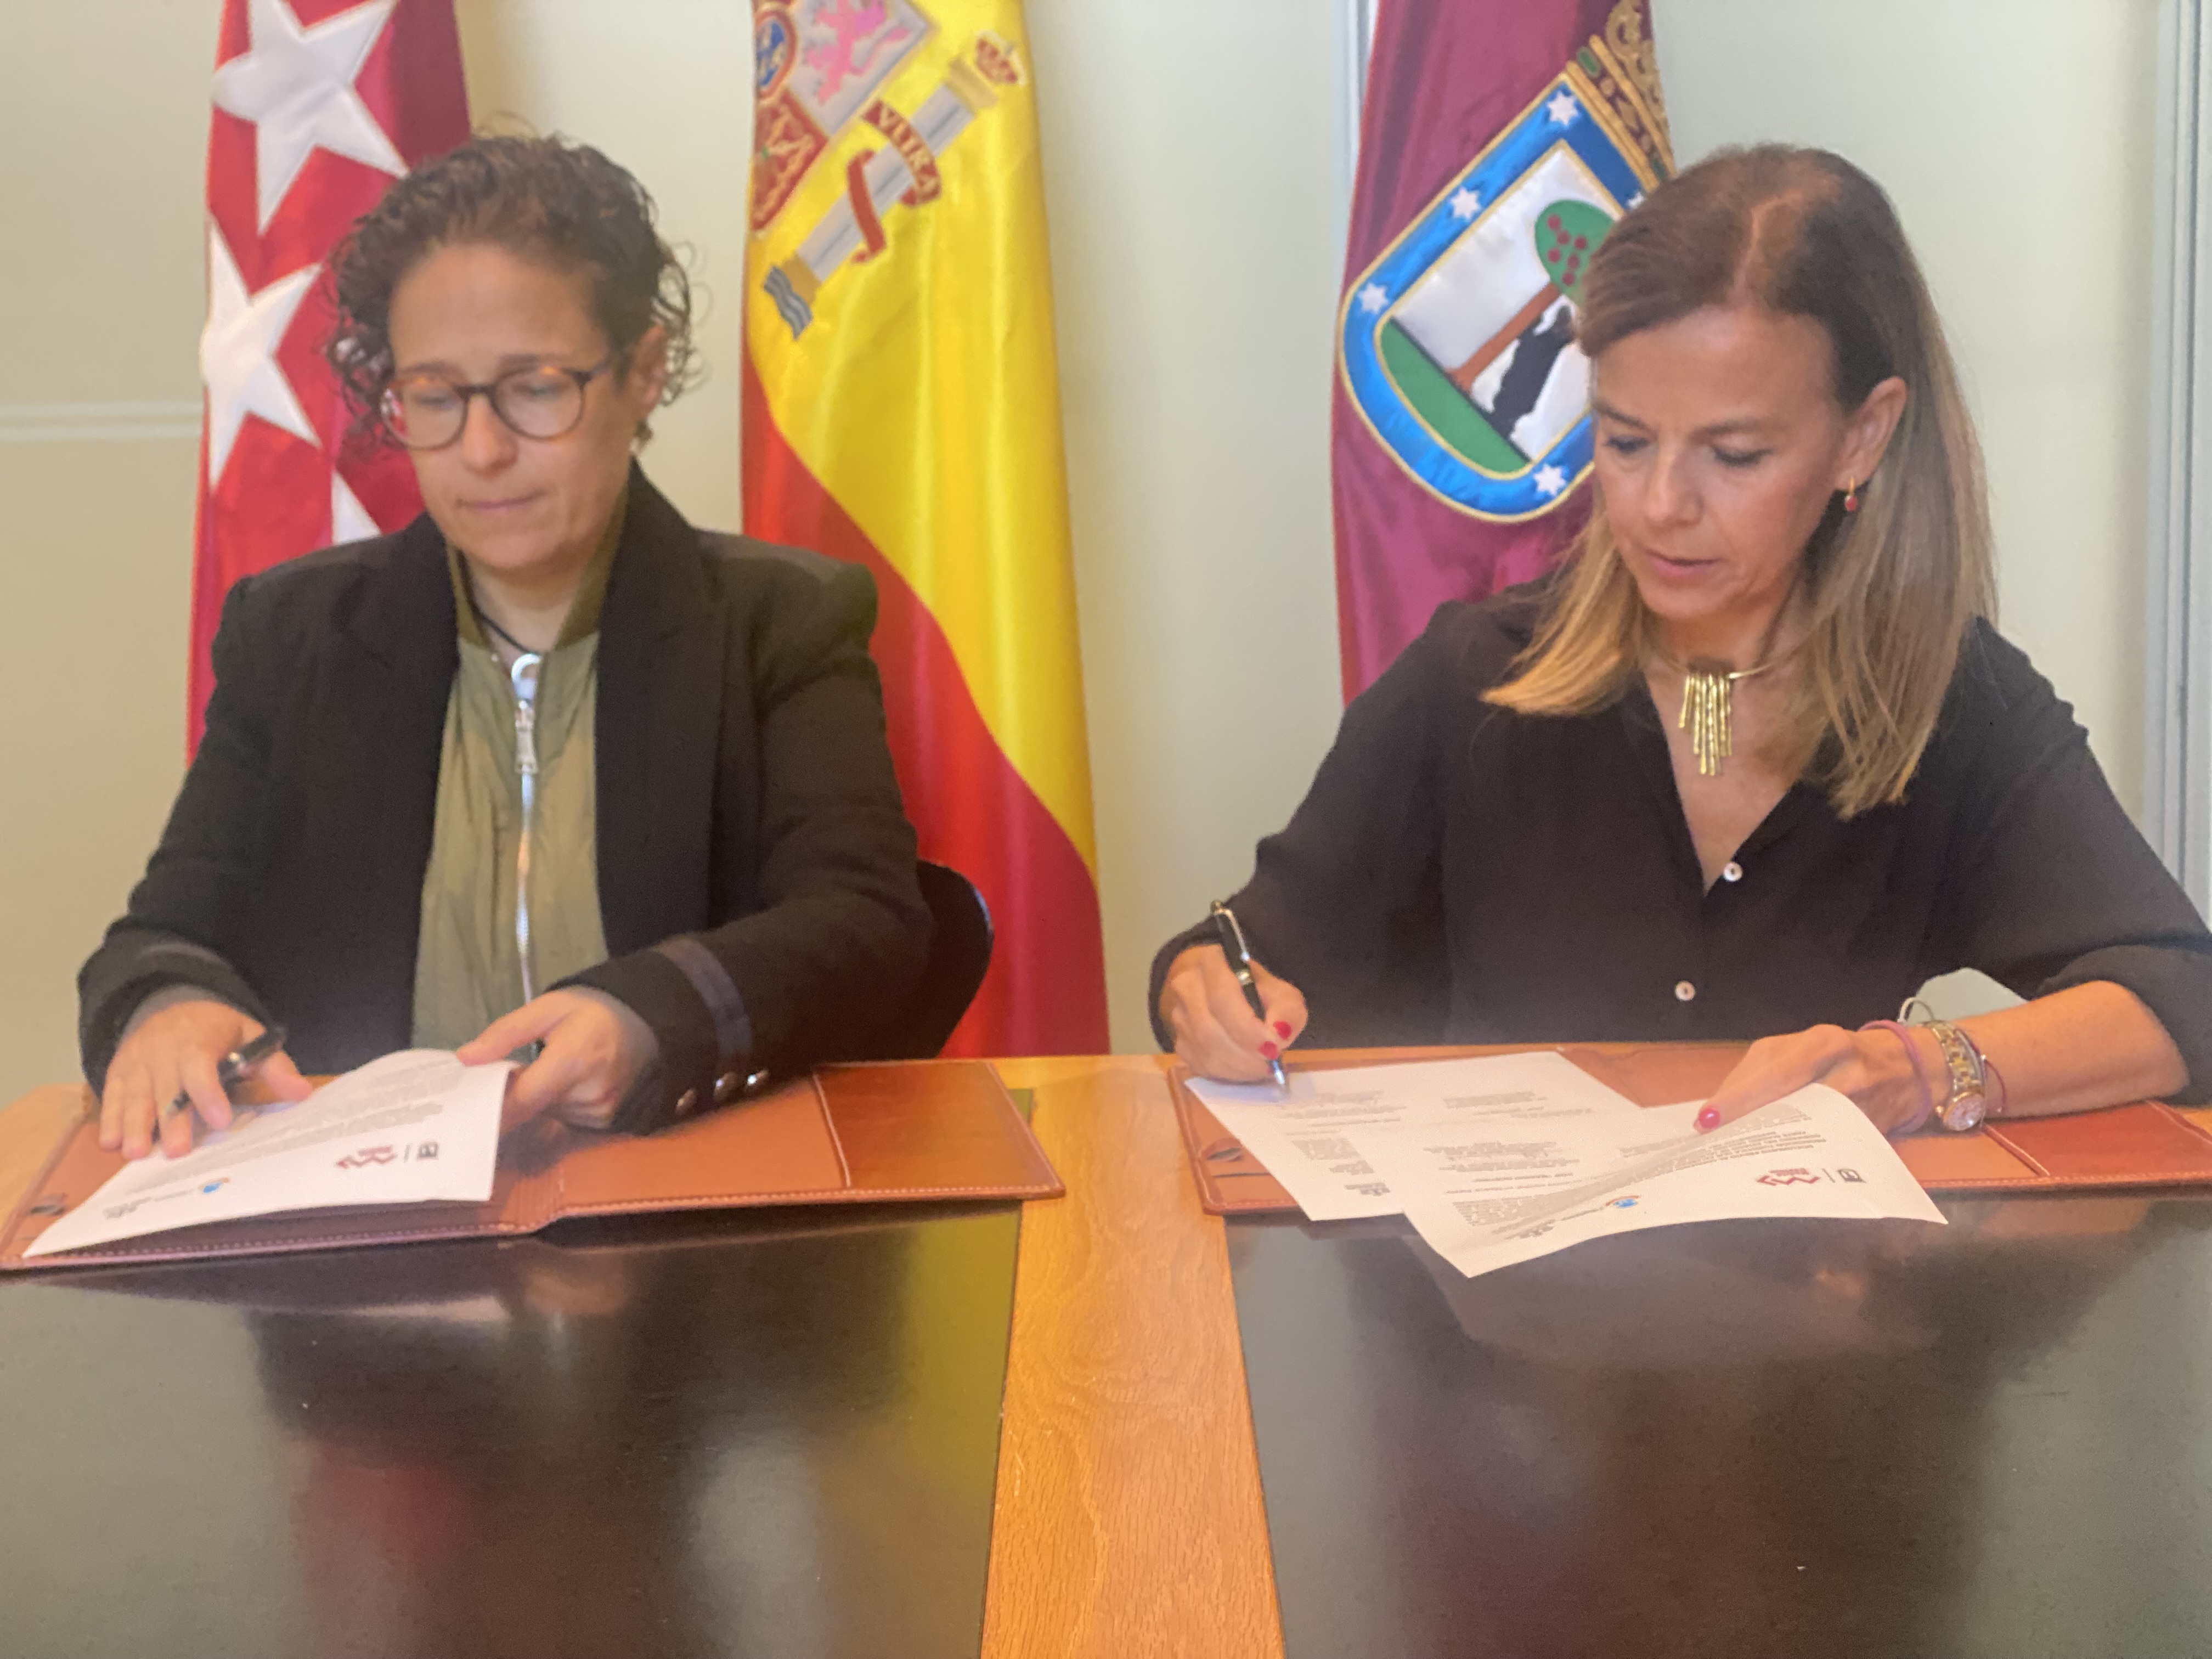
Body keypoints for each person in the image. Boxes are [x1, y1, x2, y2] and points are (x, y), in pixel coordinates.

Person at [1155, 144, 2211, 1134]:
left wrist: (1924, 1068)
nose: (1662, 506)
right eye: (1624, 442)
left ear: (1863, 436)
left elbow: (2182, 995)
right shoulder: (1477, 677)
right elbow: (1232, 959)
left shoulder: (1951, 702)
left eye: (1734, 455)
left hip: (1821, 1266)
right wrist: (1205, 994)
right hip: (1504, 1265)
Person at [81, 135, 930, 1159]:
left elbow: (865, 919)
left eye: (534, 388)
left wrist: (651, 1014)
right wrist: (169, 1005)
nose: (482, 452)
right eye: (437, 397)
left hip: (679, 1184)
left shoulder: (779, 618)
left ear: (643, 371)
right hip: (366, 1213)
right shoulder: (293, 634)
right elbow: (162, 934)